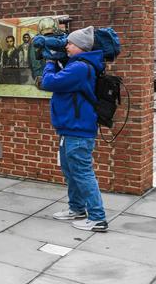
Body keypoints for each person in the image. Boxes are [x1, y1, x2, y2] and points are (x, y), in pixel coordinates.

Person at [40, 26, 108, 232]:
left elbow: (49, 82)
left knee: (82, 172)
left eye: (70, 43)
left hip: (78, 129)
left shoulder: (80, 67)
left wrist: (50, 62)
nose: (66, 46)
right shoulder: (76, 64)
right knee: (70, 172)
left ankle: (97, 218)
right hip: (70, 127)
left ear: (81, 46)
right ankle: (77, 208)